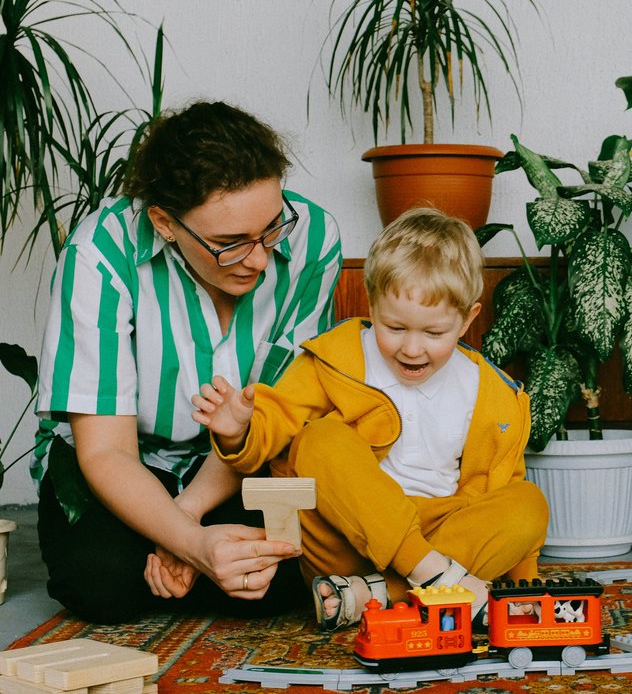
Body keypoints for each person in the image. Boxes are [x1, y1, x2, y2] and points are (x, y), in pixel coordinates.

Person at [33, 101, 343, 623]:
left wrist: (187, 519)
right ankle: (184, 564)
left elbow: (279, 414)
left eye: (271, 228)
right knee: (101, 587)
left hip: (243, 460)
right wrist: (195, 545)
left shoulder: (314, 239)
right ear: (165, 223)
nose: (261, 259)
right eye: (229, 244)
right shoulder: (99, 254)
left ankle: (184, 560)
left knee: (280, 581)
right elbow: (106, 452)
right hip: (122, 465)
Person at [191, 206, 547, 631]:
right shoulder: (337, 357)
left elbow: (503, 484)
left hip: (444, 537)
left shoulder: (493, 394)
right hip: (345, 537)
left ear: (468, 319)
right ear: (372, 303)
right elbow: (277, 421)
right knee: (320, 439)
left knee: (529, 504)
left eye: (433, 334)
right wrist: (239, 431)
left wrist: (525, 589)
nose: (412, 349)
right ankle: (430, 577)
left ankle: (376, 595)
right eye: (394, 327)